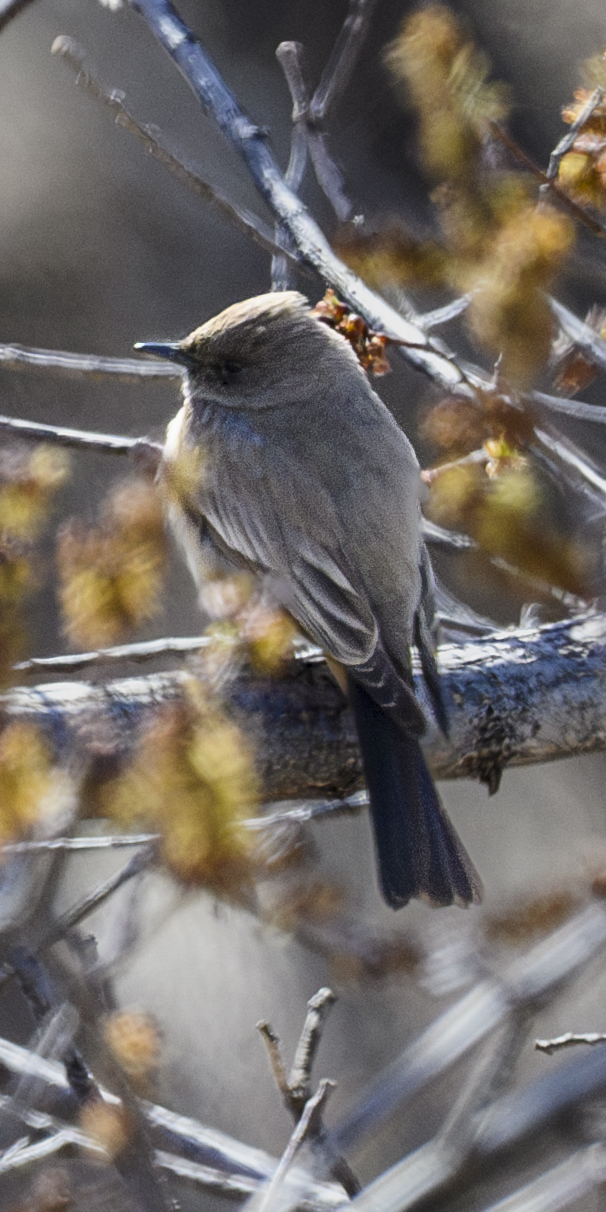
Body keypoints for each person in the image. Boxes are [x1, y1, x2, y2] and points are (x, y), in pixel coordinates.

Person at [139, 292, 480, 909]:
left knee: (377, 696)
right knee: (385, 699)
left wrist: (362, 660)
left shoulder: (211, 439)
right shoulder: (366, 417)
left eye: (225, 371)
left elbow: (266, 576)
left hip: (336, 625)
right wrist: (395, 656)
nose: (197, 378)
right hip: (383, 622)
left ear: (265, 378)